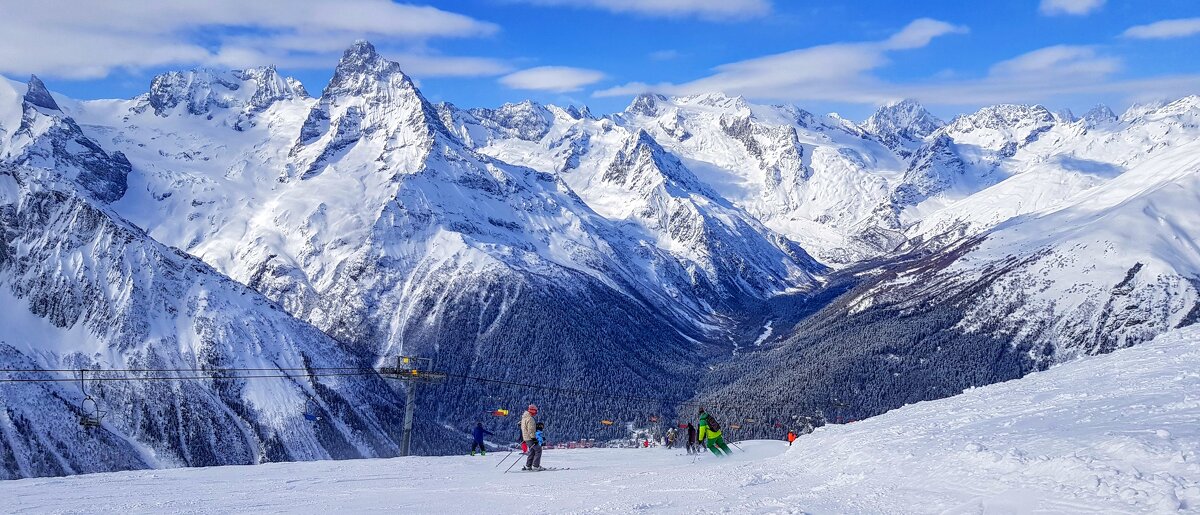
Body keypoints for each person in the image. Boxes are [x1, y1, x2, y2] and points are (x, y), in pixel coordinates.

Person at [520, 404, 543, 471]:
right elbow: (531, 430)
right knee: (538, 449)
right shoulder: (530, 419)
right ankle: (536, 466)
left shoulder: (524, 418)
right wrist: (534, 438)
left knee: (532, 450)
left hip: (526, 438)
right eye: (535, 411)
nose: (536, 413)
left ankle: (528, 465)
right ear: (532, 411)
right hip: (530, 438)